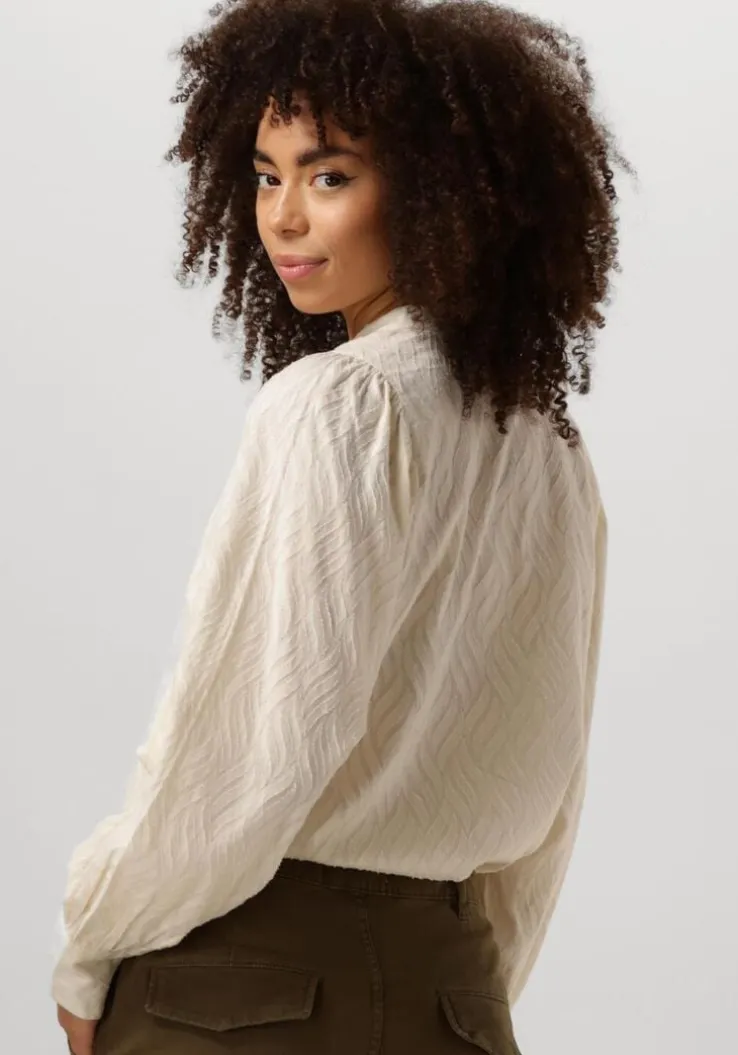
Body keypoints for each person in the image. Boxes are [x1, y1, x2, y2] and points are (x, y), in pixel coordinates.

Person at [53, 0, 633, 1052]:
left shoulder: (336, 404)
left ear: (438, 187)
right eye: (264, 175)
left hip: (238, 987)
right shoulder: (549, 448)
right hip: (452, 994)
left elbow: (243, 745)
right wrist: (478, 990)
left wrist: (92, 945)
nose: (281, 217)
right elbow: (554, 782)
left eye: (328, 177)